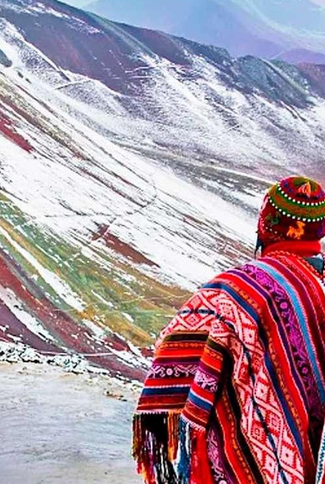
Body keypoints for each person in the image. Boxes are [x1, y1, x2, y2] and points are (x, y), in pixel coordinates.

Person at [132, 176, 325, 484]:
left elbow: (174, 344)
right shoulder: (319, 285)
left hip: (245, 455)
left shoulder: (238, 288)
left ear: (266, 226)